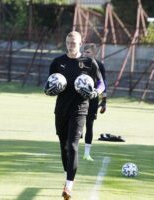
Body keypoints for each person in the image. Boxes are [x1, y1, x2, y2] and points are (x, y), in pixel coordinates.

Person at [44, 31, 105, 199]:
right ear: (66, 43)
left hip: (80, 109)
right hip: (61, 109)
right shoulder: (57, 62)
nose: (71, 45)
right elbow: (49, 84)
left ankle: (69, 185)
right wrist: (49, 90)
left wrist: (95, 93)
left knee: (72, 146)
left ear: (80, 43)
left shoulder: (89, 63)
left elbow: (101, 83)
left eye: (74, 42)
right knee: (64, 147)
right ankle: (68, 173)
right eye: (69, 42)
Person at [82, 43, 107, 162]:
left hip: (92, 99)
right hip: (79, 99)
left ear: (94, 53)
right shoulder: (79, 63)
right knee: (77, 124)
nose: (85, 54)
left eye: (88, 52)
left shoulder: (99, 65)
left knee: (89, 125)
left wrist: (104, 101)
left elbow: (102, 83)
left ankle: (87, 153)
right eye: (84, 52)